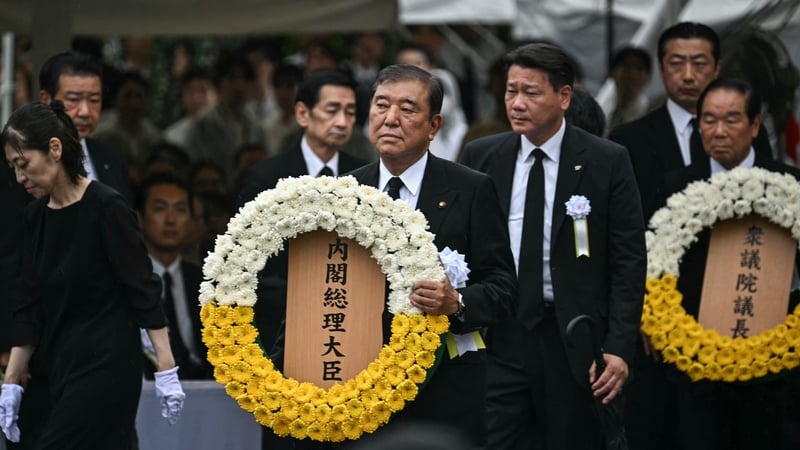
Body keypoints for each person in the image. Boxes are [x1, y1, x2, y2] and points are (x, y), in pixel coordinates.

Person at [460, 42, 646, 450]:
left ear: (564, 97)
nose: (517, 103)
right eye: (511, 91)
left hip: (573, 339)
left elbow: (628, 261)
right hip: (501, 333)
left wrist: (618, 347)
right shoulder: (482, 155)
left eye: (531, 92)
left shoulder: (606, 159)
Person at [344, 63, 518, 448]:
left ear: (434, 126)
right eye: (381, 105)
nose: (390, 119)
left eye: (407, 110)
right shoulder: (344, 191)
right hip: (359, 382)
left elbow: (503, 286)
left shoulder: (470, 189)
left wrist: (456, 302)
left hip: (445, 385)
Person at [0, 102, 185, 448]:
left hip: (107, 362)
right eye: (12, 167)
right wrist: (10, 383)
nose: (19, 177)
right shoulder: (34, 217)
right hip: (56, 364)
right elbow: (27, 303)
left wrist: (166, 365)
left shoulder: (106, 207)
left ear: (54, 149)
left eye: (23, 164)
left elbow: (142, 288)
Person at [658, 78, 800, 450]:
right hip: (694, 364)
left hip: (777, 367)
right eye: (709, 120)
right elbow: (654, 268)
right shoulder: (672, 189)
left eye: (732, 120)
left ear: (755, 126)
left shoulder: (790, 185)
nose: (718, 131)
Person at [236, 70, 368, 450]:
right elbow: (244, 267)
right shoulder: (266, 176)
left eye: (349, 111)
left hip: (350, 336)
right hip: (281, 338)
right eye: (331, 110)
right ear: (303, 114)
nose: (342, 121)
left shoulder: (366, 177)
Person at [138, 173, 212, 380]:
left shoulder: (206, 282)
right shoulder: (126, 281)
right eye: (160, 209)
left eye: (180, 210)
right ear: (140, 218)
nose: (170, 220)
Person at [38, 51, 133, 203]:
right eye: (74, 99)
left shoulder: (112, 159)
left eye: (94, 100)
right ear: (46, 100)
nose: (85, 112)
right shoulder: (21, 160)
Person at [603, 46, 653, 134]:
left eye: (639, 68)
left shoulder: (648, 114)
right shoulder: (601, 108)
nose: (631, 73)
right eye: (626, 65)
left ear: (648, 78)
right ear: (612, 73)